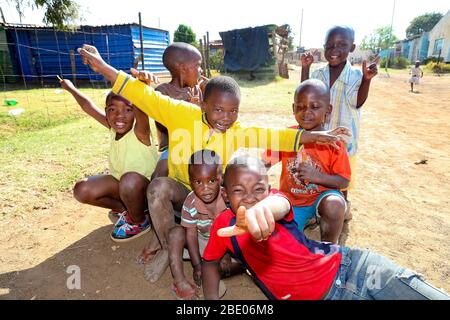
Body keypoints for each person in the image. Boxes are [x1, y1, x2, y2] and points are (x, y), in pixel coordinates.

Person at [77, 44, 351, 283]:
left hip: (210, 199)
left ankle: (219, 251)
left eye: (233, 111)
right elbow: (144, 96)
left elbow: (275, 135)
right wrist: (102, 67)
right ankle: (164, 246)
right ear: (203, 105)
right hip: (180, 193)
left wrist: (316, 135)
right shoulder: (180, 114)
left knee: (239, 197)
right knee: (158, 186)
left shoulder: (237, 130)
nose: (226, 117)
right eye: (218, 109)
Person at [201, 155, 450, 300]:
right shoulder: (224, 228)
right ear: (224, 195)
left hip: (355, 270)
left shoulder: (276, 202)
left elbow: (281, 204)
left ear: (268, 189)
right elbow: (210, 262)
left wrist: (264, 210)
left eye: (258, 190)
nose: (251, 198)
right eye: (238, 191)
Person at [59, 77, 158, 242]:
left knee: (129, 180)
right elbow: (88, 106)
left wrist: (141, 87)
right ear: (106, 112)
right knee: (81, 189)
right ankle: (126, 210)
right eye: (113, 110)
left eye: (128, 110)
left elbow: (142, 109)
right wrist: (71, 89)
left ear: (136, 112)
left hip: (146, 192)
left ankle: (139, 221)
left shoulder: (141, 132)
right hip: (123, 188)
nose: (120, 116)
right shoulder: (113, 129)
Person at [263, 79, 350, 243]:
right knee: (283, 242)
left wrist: (317, 176)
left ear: (328, 110)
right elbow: (265, 163)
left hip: (321, 197)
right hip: (291, 201)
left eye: (314, 107)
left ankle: (329, 248)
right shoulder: (287, 136)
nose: (306, 112)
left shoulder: (334, 143)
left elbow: (343, 180)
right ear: (293, 108)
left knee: (334, 205)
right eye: (300, 107)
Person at [300, 25, 378, 200]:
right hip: (319, 140)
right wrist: (305, 68)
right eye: (329, 45)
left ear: (352, 48)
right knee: (318, 176)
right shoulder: (318, 74)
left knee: (341, 181)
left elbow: (358, 102)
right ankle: (317, 208)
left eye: (341, 45)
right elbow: (305, 93)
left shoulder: (357, 76)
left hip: (344, 143)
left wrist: (366, 81)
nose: (334, 50)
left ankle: (342, 207)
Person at [168, 149, 243, 299]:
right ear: (190, 181)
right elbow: (191, 234)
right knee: (175, 233)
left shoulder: (229, 199)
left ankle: (213, 271)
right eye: (198, 182)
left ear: (220, 179)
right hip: (201, 241)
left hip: (225, 242)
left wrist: (226, 254)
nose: (205, 188)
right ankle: (180, 281)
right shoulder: (191, 202)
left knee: (244, 261)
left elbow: (234, 230)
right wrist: (197, 265)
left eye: (211, 181)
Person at [152, 42, 208, 179]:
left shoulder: (197, 89)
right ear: (183, 69)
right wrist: (187, 109)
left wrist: (208, 95)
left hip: (197, 145)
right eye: (198, 65)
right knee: (158, 175)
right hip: (173, 147)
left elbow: (209, 122)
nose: (201, 70)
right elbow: (162, 125)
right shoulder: (162, 91)